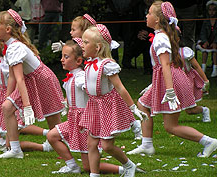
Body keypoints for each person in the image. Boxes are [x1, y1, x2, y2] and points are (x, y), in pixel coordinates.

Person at [127, 1, 217, 158]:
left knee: (171, 126)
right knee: (142, 104)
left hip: (171, 82)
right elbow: (162, 67)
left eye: (149, 13)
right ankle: (147, 145)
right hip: (165, 80)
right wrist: (153, 85)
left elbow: (166, 65)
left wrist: (169, 91)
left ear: (157, 19)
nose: (146, 16)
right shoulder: (160, 36)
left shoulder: (160, 38)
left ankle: (209, 142)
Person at [48, 38, 135, 175]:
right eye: (62, 56)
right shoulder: (72, 76)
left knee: (88, 166)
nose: (62, 60)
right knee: (52, 135)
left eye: (66, 57)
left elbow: (90, 89)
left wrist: (86, 88)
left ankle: (123, 168)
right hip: (73, 119)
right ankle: (72, 165)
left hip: (84, 120)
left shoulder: (81, 76)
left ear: (78, 61)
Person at [0, 9, 64, 159]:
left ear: (8, 29)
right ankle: (15, 149)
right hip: (30, 80)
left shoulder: (15, 47)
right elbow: (12, 77)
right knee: (7, 106)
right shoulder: (10, 47)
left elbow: (19, 79)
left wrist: (27, 107)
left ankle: (71, 150)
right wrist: (7, 97)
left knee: (54, 122)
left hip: (42, 80)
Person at [79, 24, 147, 177]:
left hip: (107, 107)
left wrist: (133, 108)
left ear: (97, 47)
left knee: (107, 145)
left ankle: (129, 165)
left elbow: (120, 88)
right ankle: (94, 174)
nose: (81, 45)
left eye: (85, 42)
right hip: (94, 106)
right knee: (91, 144)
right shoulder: (89, 63)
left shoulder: (107, 65)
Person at [0, 31, 52, 152]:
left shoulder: (10, 58)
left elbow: (17, 78)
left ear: (1, 44)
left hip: (11, 97)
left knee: (11, 139)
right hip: (2, 97)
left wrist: (12, 99)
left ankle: (44, 146)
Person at [197, 0, 217, 77]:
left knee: (215, 51)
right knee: (204, 51)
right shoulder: (206, 21)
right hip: (207, 40)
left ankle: (215, 69)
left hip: (215, 41)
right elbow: (203, 32)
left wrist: (215, 42)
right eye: (210, 10)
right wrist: (205, 41)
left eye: (214, 10)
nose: (212, 12)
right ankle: (203, 68)